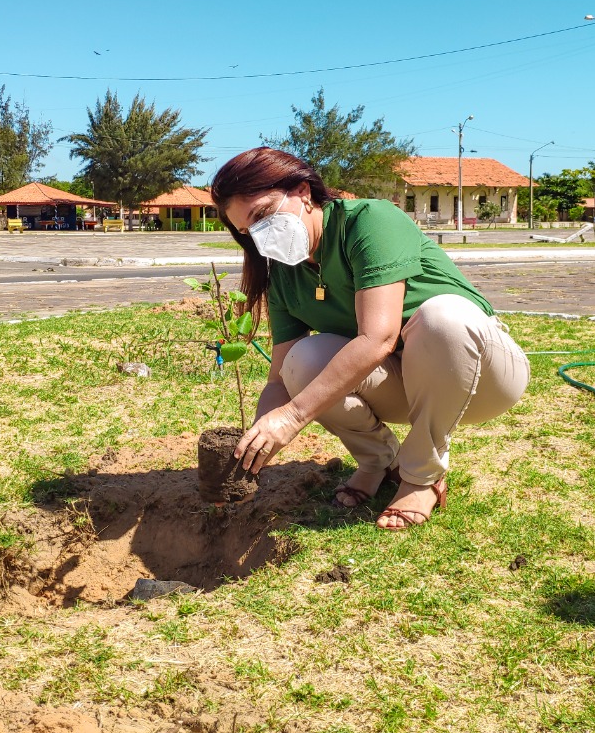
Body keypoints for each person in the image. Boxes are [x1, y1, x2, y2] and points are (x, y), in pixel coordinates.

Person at [211, 147, 531, 530]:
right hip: (405, 383)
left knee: (441, 317)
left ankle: (421, 476)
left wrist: (293, 417)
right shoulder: (285, 274)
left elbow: (378, 338)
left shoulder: (370, 221)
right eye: (248, 231)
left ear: (302, 192)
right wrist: (259, 439)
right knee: (303, 360)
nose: (262, 237)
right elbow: (281, 378)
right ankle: (378, 460)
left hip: (482, 376)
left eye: (263, 214)